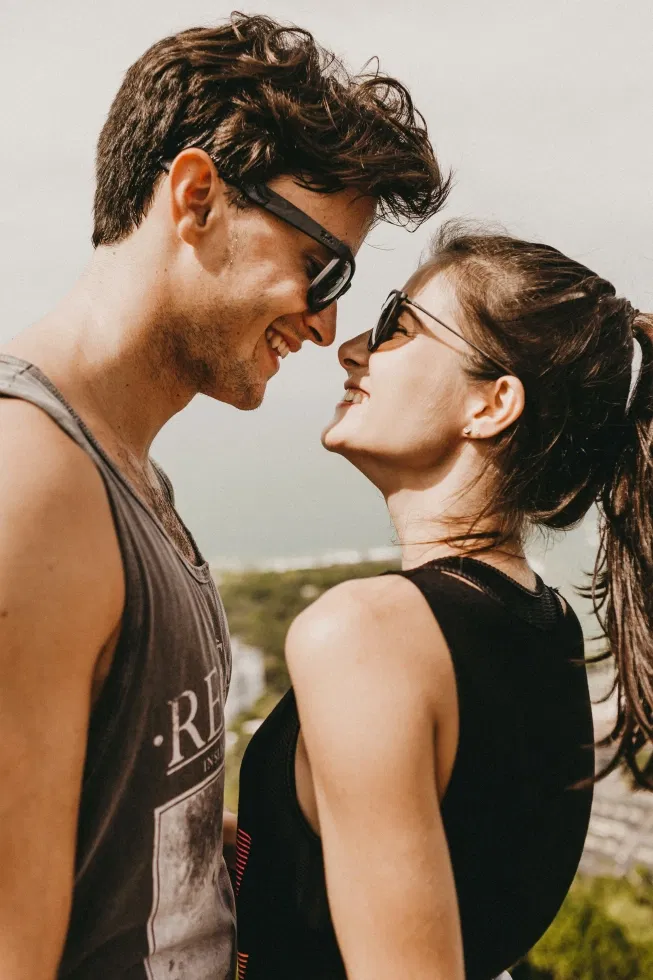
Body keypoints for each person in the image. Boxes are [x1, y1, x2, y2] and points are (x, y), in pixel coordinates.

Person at [0, 14, 449, 980]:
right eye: (322, 267)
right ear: (197, 196)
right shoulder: (28, 485)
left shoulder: (122, 475)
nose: (327, 326)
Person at [236, 224, 653, 979]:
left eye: (399, 321)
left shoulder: (364, 636)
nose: (351, 346)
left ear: (492, 404)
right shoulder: (545, 626)